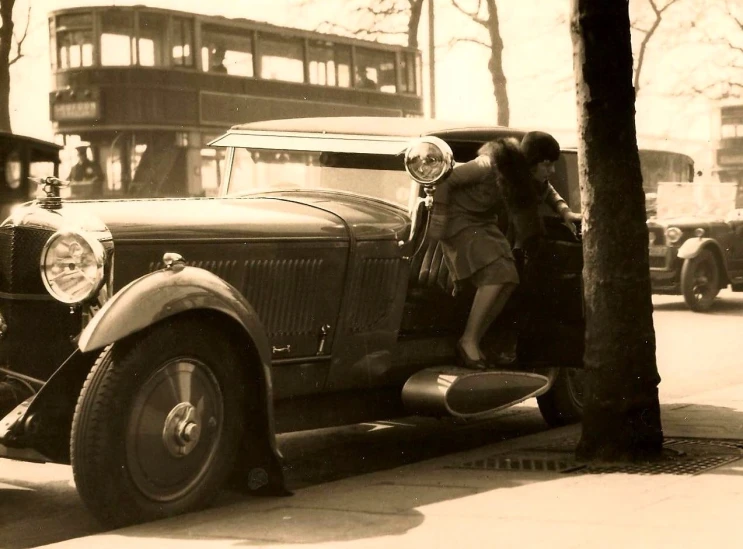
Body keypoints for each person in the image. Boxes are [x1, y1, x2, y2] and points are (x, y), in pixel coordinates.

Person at [437, 137, 531, 370]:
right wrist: (438, 221)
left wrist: (564, 210)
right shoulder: (485, 165)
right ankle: (468, 340)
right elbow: (444, 182)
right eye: (547, 165)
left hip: (483, 223)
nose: (550, 170)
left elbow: (547, 191)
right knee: (497, 273)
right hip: (459, 221)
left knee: (509, 278)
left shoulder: (518, 174)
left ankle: (474, 340)